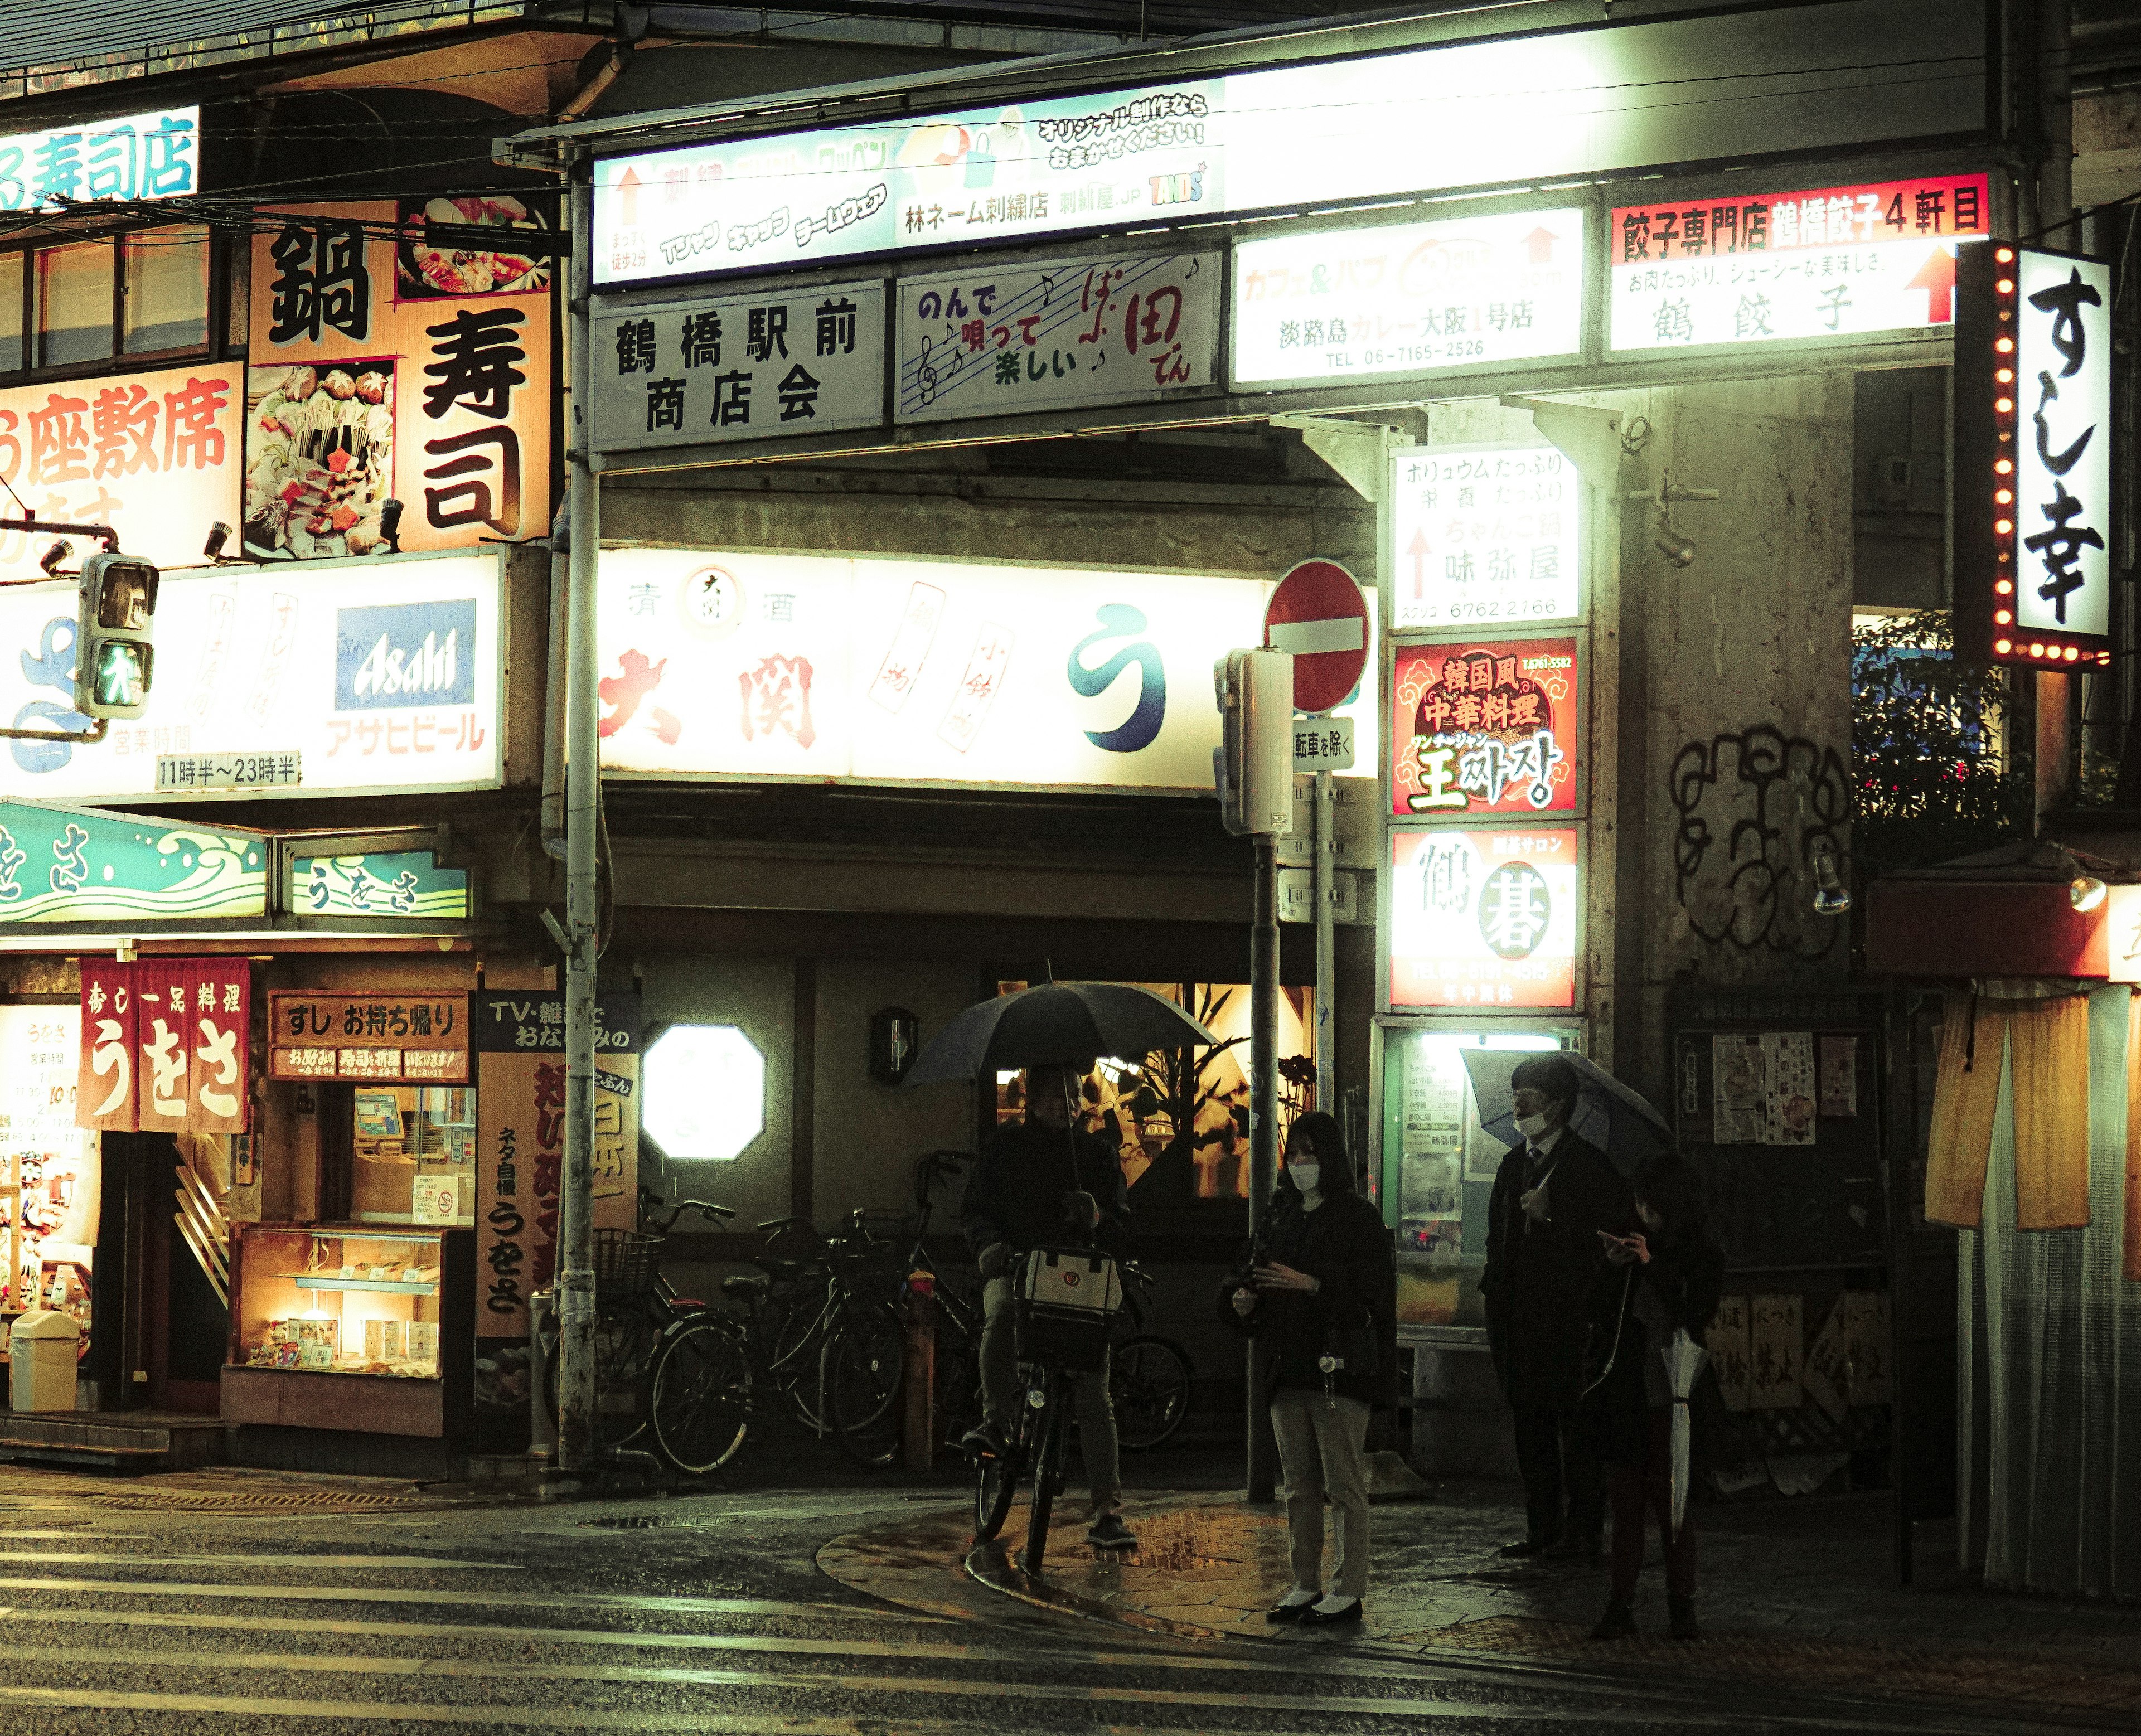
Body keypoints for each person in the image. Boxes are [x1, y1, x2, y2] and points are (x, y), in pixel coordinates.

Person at [1221, 1112, 1395, 1627]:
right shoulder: (1279, 1215)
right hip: (1286, 1367)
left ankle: (1349, 1586)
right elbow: (1243, 1274)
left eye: (1311, 1155)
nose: (1301, 1165)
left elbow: (1377, 1294)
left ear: (1331, 1159)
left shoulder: (1357, 1218)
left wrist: (1315, 1284)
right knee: (1298, 1484)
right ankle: (1305, 1582)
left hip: (1338, 1368)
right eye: (1294, 1155)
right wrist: (1240, 1299)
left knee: (1343, 1483)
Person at [959, 1060, 1136, 1549]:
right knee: (1001, 1317)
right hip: (1017, 1270)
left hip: (1079, 1280)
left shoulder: (1098, 1156)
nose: (1070, 1103)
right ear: (1033, 1101)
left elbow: (1125, 1227)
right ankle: (995, 1422)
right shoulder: (1004, 1151)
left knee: (1093, 1392)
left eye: (1077, 1093)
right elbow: (975, 1211)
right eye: (1058, 1095)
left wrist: (1098, 1217)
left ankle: (1107, 1510)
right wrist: (988, 1245)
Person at [1480, 1054, 1631, 1560]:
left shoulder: (1590, 1167)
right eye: (1516, 1094)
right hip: (1519, 1323)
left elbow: (1610, 1247)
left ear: (1560, 1105)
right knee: (1531, 1433)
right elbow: (1495, 1240)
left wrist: (1554, 1215)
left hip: (1569, 1327)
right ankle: (1541, 1528)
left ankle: (1583, 1533)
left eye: (1532, 1096)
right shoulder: (1512, 1165)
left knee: (1578, 1434)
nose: (1520, 1104)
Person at [1583, 1151, 1724, 1642]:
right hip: (1625, 1394)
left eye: (1651, 1205)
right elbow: (1601, 1317)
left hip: (1674, 1394)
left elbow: (1696, 1310)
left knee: (1675, 1506)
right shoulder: (1631, 1244)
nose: (1642, 1213)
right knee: (1625, 1508)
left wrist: (1653, 1265)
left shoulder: (1699, 1253)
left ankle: (1681, 1603)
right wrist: (1611, 1267)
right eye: (1639, 1203)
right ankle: (1619, 1604)